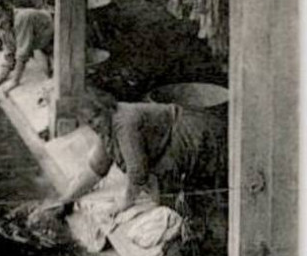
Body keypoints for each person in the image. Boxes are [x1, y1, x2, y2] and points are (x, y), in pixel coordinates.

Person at [40, 85, 226, 220]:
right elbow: (96, 169)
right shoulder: (106, 128)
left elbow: (137, 171)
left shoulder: (124, 122)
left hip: (189, 134)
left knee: (180, 196)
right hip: (168, 139)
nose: (94, 124)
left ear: (105, 108)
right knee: (161, 191)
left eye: (96, 116)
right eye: (89, 121)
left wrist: (124, 203)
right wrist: (66, 198)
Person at [0, 0, 54, 105]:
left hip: (58, 33)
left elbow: (22, 54)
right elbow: (9, 61)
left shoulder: (22, 18)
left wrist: (15, 81)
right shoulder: (4, 31)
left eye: (0, 17)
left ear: (8, 11)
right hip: (43, 44)